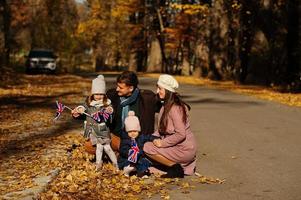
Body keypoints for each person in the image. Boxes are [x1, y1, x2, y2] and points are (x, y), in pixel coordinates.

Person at [143, 74, 197, 178]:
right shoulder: (166, 106)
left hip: (183, 149)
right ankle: (173, 167)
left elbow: (181, 134)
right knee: (150, 166)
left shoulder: (175, 108)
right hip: (178, 147)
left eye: (160, 88)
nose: (157, 91)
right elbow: (162, 129)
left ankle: (175, 168)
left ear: (168, 90)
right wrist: (151, 137)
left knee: (147, 148)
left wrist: (162, 143)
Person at [71, 75, 118, 170]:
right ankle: (98, 163)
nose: (99, 96)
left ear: (104, 95)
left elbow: (110, 112)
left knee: (107, 148)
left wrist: (110, 111)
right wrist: (79, 109)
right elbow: (83, 107)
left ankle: (115, 164)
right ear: (92, 94)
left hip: (103, 131)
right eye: (96, 94)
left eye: (101, 94)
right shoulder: (89, 104)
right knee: (99, 148)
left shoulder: (106, 104)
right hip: (93, 131)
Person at [106, 71, 160, 151]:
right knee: (90, 145)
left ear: (131, 88)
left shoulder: (146, 99)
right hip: (116, 137)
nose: (117, 89)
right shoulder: (112, 96)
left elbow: (166, 106)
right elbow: (94, 105)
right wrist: (81, 111)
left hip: (138, 139)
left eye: (121, 88)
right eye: (117, 86)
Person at [118, 111, 158, 177]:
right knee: (130, 163)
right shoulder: (125, 140)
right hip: (127, 159)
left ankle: (141, 173)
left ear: (138, 131)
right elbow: (122, 150)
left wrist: (154, 138)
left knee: (144, 162)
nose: (133, 133)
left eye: (135, 131)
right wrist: (129, 153)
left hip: (139, 158)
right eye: (130, 131)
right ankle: (126, 171)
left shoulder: (141, 137)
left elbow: (148, 137)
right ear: (126, 132)